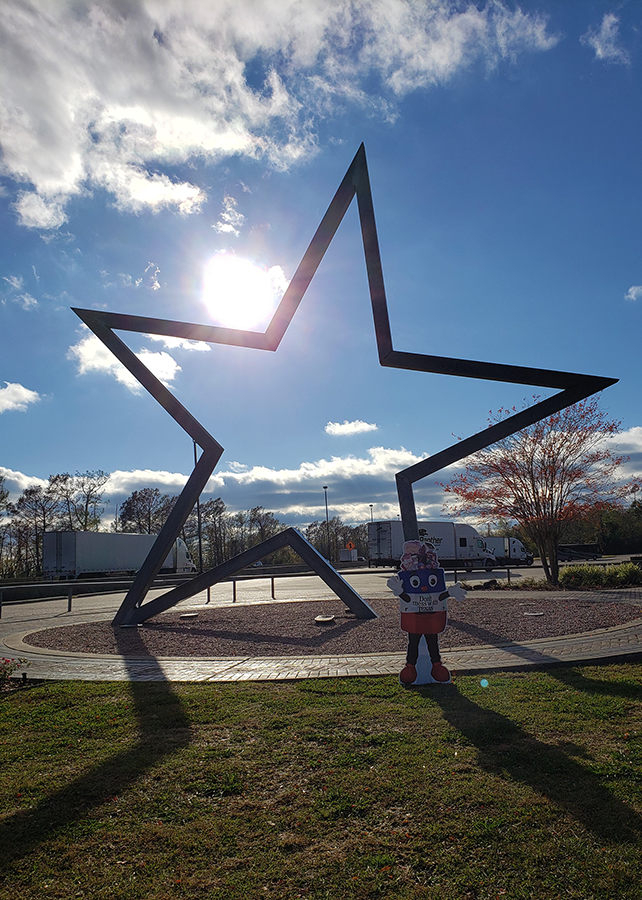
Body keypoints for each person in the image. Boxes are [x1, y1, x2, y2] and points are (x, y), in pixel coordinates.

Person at [387, 540, 466, 685]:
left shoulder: (426, 571)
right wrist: (399, 591)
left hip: (429, 617)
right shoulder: (418, 572)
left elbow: (438, 596)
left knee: (429, 642)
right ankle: (412, 667)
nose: (423, 588)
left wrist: (450, 592)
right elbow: (412, 597)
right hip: (419, 618)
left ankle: (434, 666)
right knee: (416, 643)